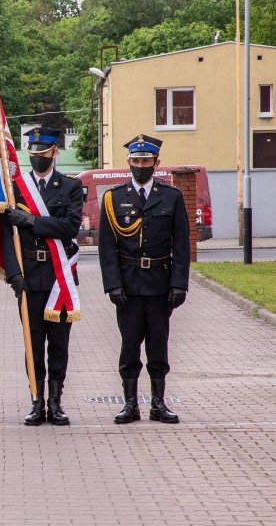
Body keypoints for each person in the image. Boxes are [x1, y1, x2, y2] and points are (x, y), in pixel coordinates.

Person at [98, 134, 190, 425]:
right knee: (129, 345)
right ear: (128, 163)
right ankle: (130, 404)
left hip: (160, 283)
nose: (140, 166)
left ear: (156, 163)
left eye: (146, 161)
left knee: (158, 345)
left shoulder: (171, 197)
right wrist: (112, 285)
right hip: (128, 284)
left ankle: (158, 404)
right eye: (136, 161)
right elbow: (106, 248)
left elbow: (182, 245)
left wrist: (179, 284)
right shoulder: (114, 198)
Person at [2, 127, 83, 426]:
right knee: (33, 345)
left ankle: (56, 402)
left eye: (43, 153)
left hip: (58, 278)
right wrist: (13, 276)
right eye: (33, 154)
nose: (38, 158)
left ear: (54, 153)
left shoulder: (70, 187)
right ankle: (36, 401)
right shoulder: (16, 188)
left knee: (58, 344)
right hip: (28, 277)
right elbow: (4, 237)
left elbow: (70, 227)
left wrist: (33, 221)